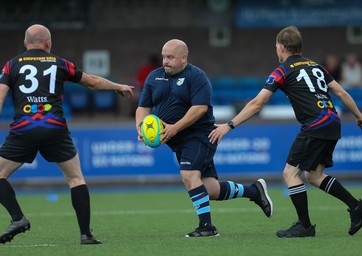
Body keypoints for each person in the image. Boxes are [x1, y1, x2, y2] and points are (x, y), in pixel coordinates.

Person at [209, 26, 362, 238]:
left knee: (290, 173)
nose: (276, 51)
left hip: (315, 124)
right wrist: (359, 116)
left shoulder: (282, 70)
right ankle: (357, 207)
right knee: (313, 176)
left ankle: (304, 226)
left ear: (282, 47)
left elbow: (258, 103)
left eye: (276, 47)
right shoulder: (317, 66)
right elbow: (341, 92)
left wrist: (229, 125)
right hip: (333, 121)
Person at [0, 24, 134, 245]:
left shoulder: (11, 65)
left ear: (25, 43)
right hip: (55, 129)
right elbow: (91, 81)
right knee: (75, 178)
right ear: (48, 43)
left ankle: (18, 218)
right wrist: (117, 86)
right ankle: (85, 234)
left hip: (23, 130)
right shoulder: (59, 63)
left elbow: (1, 97)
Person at [135, 39, 273, 237]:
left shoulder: (197, 77)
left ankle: (207, 228)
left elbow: (199, 109)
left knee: (189, 175)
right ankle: (254, 191)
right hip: (176, 140)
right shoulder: (154, 77)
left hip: (199, 134)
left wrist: (174, 128)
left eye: (170, 57)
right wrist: (140, 127)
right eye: (164, 57)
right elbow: (143, 107)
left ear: (184, 58)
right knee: (210, 189)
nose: (165, 61)